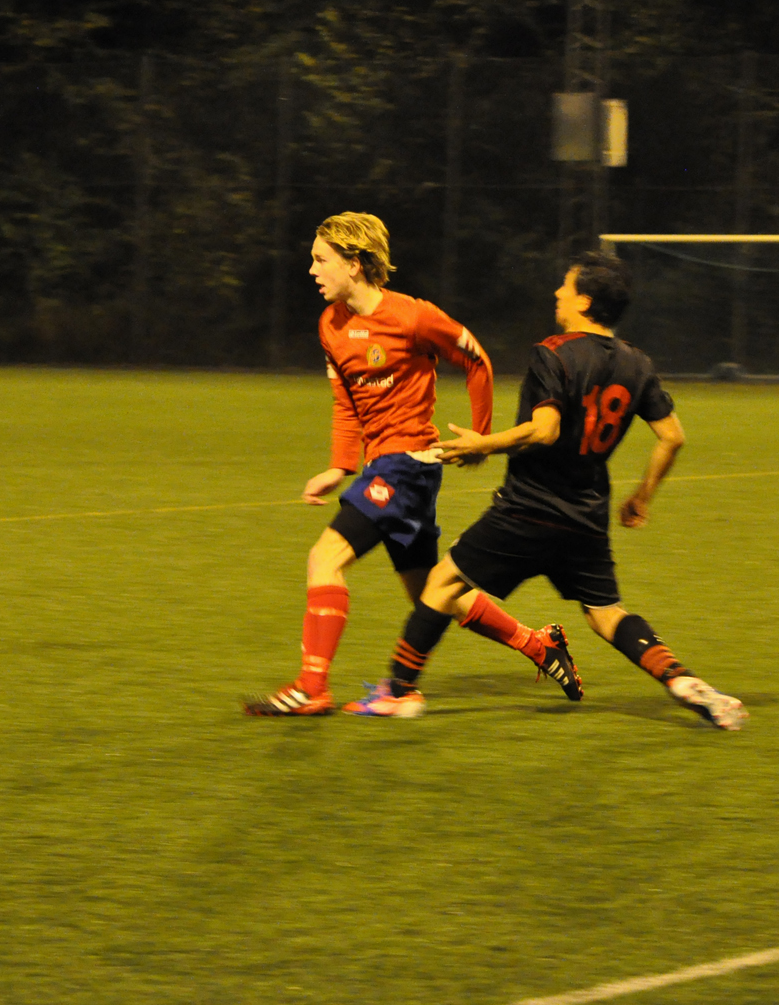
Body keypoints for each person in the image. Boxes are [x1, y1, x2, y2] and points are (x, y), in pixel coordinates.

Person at [353, 251, 745, 730]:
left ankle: (398, 693)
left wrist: (482, 444)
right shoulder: (637, 363)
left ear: (584, 300)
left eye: (566, 285)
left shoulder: (554, 352)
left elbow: (545, 430)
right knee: (606, 614)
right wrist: (642, 497)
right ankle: (681, 680)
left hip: (527, 507)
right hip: (586, 514)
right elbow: (672, 436)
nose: (558, 292)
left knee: (442, 583)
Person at [244, 212, 580, 717]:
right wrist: (340, 465)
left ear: (354, 264)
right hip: (385, 465)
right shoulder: (330, 325)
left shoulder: (413, 316)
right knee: (430, 589)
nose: (312, 270)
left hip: (409, 465)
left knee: (325, 558)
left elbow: (477, 360)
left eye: (321, 259)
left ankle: (311, 687)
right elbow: (346, 401)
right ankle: (539, 645)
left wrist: (482, 438)